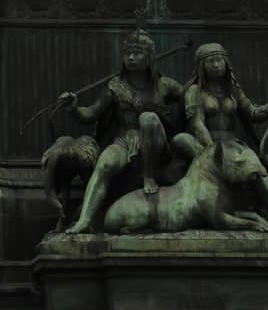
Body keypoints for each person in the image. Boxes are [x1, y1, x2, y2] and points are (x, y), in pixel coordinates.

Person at [58, 27, 184, 233]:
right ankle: (84, 220)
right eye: (128, 53)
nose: (131, 57)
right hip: (125, 140)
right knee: (105, 164)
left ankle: (148, 175)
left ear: (150, 56)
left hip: (156, 142)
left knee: (148, 118)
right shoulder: (115, 87)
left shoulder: (165, 85)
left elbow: (189, 98)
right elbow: (91, 113)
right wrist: (74, 109)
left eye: (137, 53)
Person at [180, 42, 268, 234]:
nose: (216, 65)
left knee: (259, 170)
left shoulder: (232, 90)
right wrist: (212, 151)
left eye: (219, 60)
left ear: (226, 63)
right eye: (211, 62)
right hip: (210, 146)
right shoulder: (195, 92)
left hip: (233, 145)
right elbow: (197, 124)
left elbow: (254, 113)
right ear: (202, 66)